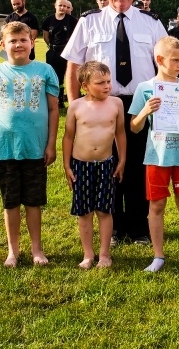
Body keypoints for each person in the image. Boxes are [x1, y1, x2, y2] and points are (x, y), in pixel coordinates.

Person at [62, 0, 168, 246]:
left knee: (137, 165)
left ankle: (139, 227)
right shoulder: (88, 21)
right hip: (100, 104)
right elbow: (73, 66)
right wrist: (75, 107)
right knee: (107, 167)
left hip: (140, 104)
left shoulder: (152, 22)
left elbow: (166, 63)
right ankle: (116, 226)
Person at [0, 22, 59, 268]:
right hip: (5, 148)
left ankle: (37, 249)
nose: (18, 45)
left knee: (33, 201)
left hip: (36, 148)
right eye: (12, 41)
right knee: (11, 201)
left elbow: (54, 109)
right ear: (3, 45)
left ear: (32, 42)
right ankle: (12, 251)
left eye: (23, 40)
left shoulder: (45, 71)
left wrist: (51, 144)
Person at [129, 37, 179, 272]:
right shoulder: (145, 88)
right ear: (159, 60)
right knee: (156, 206)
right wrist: (145, 111)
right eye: (175, 60)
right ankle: (158, 256)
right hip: (156, 157)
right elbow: (134, 126)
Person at [63, 61, 126, 269]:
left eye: (108, 81)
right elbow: (68, 137)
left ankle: (105, 254)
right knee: (84, 212)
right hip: (81, 165)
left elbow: (120, 133)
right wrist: (67, 165)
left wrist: (122, 160)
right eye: (100, 83)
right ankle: (88, 254)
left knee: (105, 211)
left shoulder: (116, 104)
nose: (107, 86)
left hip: (106, 165)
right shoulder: (76, 107)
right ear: (85, 86)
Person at [42, 0, 78, 107]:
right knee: (54, 77)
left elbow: (76, 36)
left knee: (69, 76)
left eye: (65, 6)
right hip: (53, 53)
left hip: (67, 53)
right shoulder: (48, 20)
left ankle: (72, 99)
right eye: (60, 5)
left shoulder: (71, 20)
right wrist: (52, 47)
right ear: (55, 6)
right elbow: (45, 36)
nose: (62, 8)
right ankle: (57, 100)